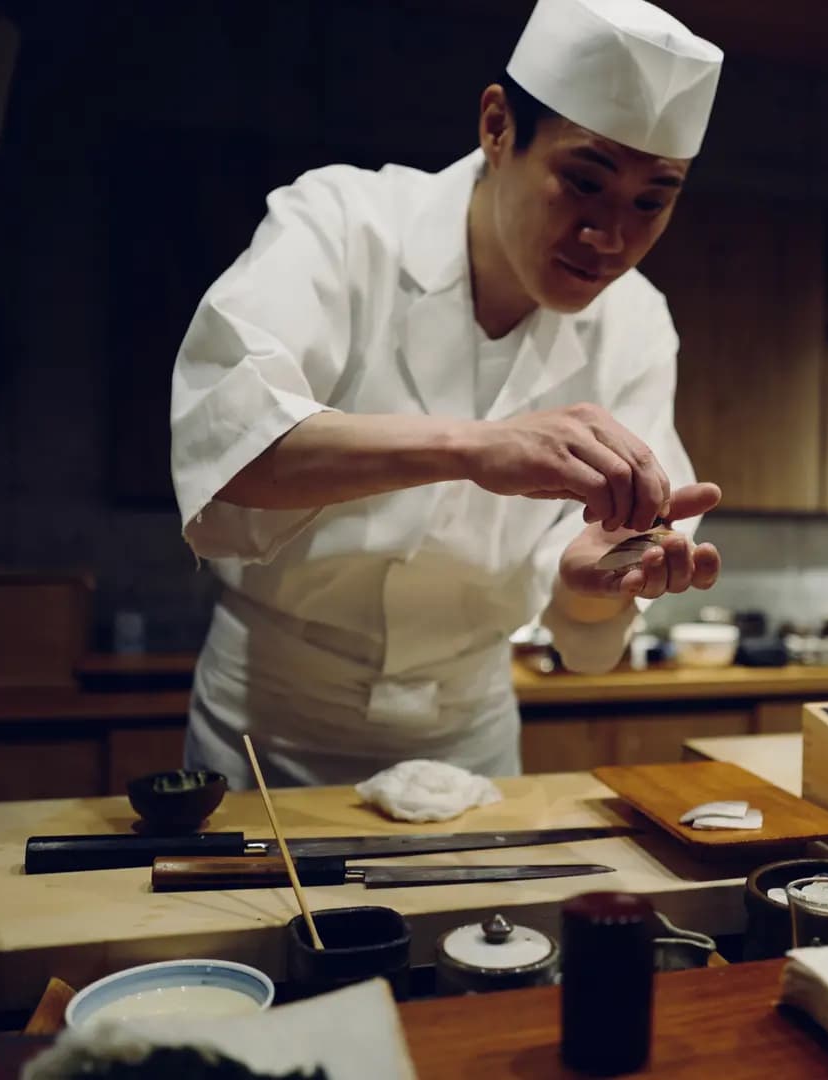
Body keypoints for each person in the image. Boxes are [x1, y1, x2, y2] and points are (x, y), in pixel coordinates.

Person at [170, 0, 725, 789]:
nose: (609, 238)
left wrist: (591, 587)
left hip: (469, 737)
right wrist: (473, 448)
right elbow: (230, 449)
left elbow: (585, 621)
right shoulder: (341, 223)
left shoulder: (637, 322)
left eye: (651, 201)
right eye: (583, 181)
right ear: (498, 127)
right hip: (268, 724)